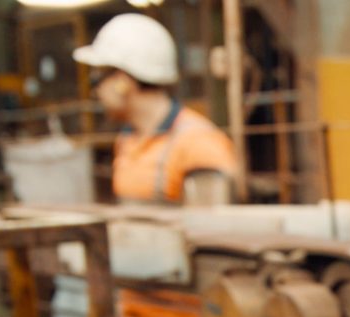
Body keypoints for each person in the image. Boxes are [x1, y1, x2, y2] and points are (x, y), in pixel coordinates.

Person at [74, 13, 238, 205]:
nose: (96, 92)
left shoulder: (198, 144)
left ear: (123, 81)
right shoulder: (127, 139)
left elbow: (211, 228)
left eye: (97, 80)